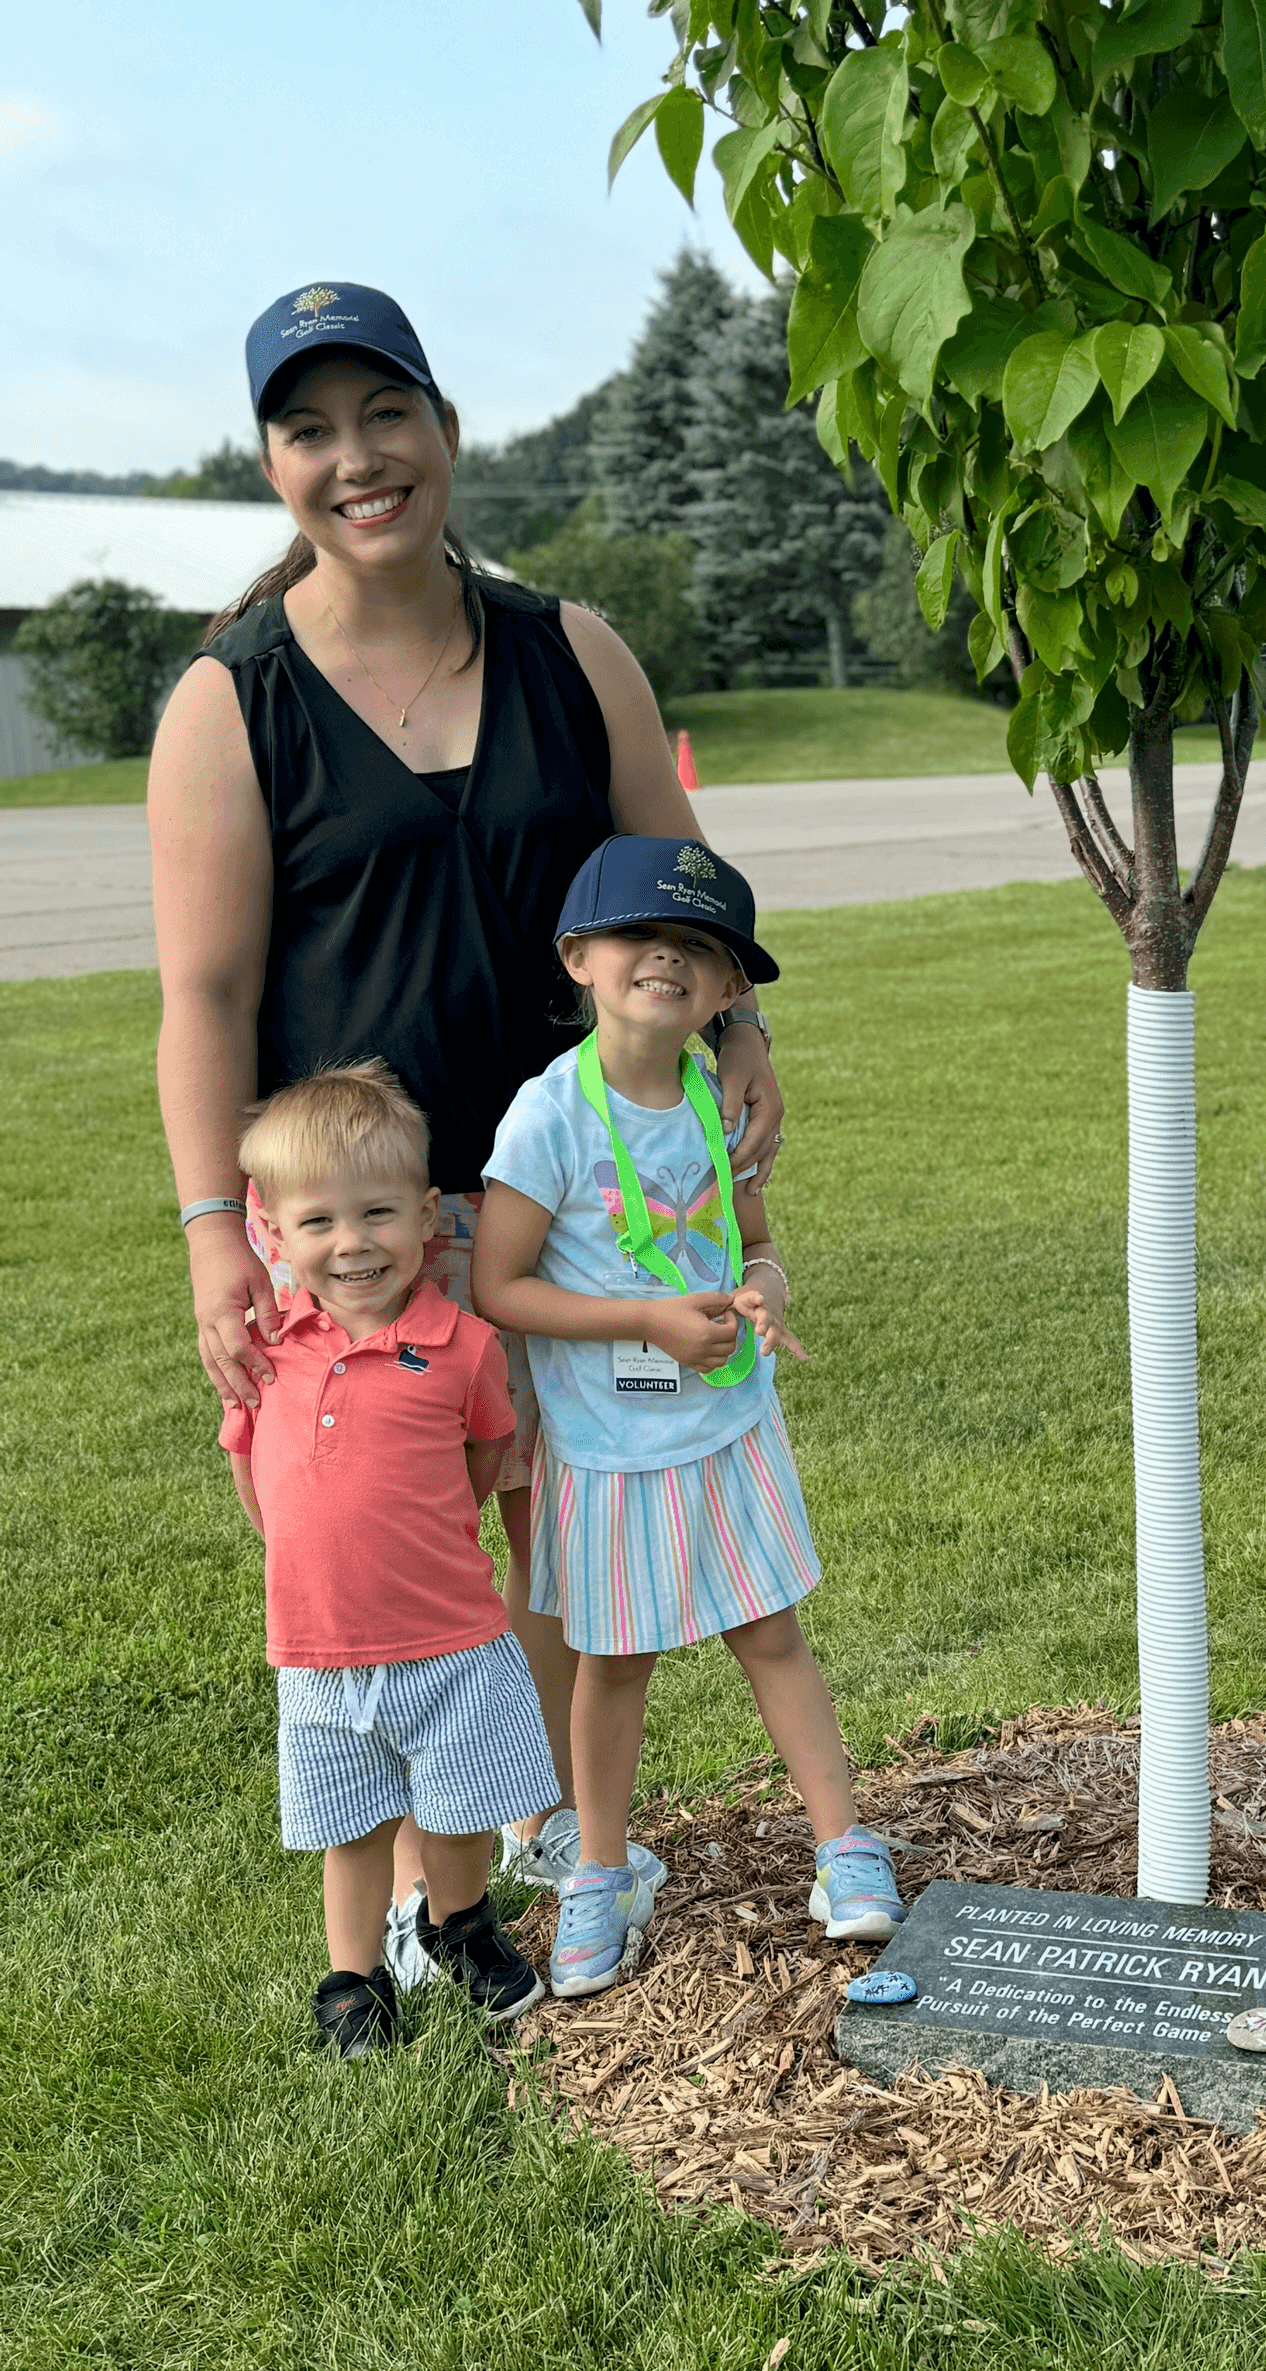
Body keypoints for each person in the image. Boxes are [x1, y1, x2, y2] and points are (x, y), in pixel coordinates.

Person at [150, 279, 783, 1908]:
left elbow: (680, 885)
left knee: (567, 1542)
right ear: (275, 466)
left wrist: (742, 1035)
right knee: (408, 1569)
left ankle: (563, 1839)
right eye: (311, 430)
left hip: (582, 1191)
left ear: (444, 429)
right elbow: (205, 1000)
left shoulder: (573, 653)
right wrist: (219, 1234)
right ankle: (440, 1896)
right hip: (362, 1221)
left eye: (386, 416)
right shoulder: (235, 704)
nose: (356, 457)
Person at [472, 834, 900, 1997]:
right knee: (616, 1662)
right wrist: (647, 1322)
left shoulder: (721, 1099)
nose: (669, 957)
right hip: (609, 1453)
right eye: (639, 935)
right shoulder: (548, 1117)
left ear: (726, 994)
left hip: (728, 1432)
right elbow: (497, 1286)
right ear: (578, 959)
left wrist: (762, 1294)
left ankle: (843, 1847)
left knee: (772, 1632)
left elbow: (759, 1249)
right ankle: (598, 1877)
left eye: (701, 949)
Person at [220, 1063, 559, 2058]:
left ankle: (458, 1923)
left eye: (377, 1214)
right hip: (321, 1653)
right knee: (354, 1826)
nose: (352, 1243)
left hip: (449, 1641)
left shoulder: (463, 1346)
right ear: (276, 1238)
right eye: (318, 1222)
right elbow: (257, 1479)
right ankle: (354, 1979)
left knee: (459, 1812)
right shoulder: (271, 1356)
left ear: (426, 1219)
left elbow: (484, 1456)